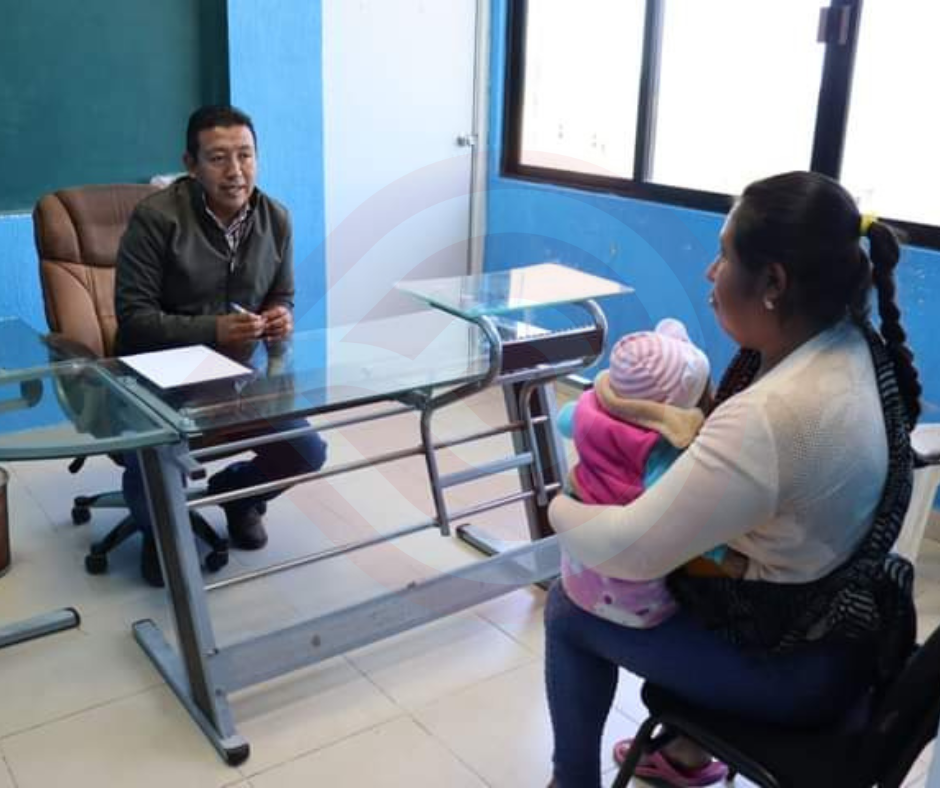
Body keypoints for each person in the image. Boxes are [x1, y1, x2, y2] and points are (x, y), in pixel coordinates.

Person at [544, 171, 922, 788]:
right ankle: (687, 754)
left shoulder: (771, 414)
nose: (709, 273)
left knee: (568, 609)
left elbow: (629, 553)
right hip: (849, 632)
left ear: (773, 282)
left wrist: (557, 507)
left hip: (794, 668)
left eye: (723, 256)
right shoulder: (852, 345)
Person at [115, 104, 327, 587]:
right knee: (154, 468)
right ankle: (155, 529)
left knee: (306, 451)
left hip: (234, 375)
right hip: (157, 377)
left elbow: (281, 293)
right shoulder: (156, 218)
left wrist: (280, 314)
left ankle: (239, 496)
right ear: (190, 165)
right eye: (218, 158)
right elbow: (134, 318)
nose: (235, 171)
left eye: (245, 155)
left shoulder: (276, 217)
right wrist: (212, 330)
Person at [557, 318, 747, 632]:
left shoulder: (587, 411)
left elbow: (564, 421)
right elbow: (685, 521)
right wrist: (723, 556)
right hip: (632, 599)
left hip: (576, 573)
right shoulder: (657, 452)